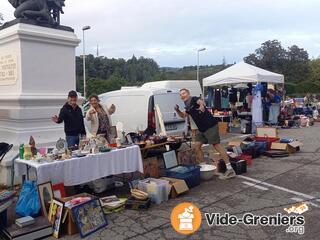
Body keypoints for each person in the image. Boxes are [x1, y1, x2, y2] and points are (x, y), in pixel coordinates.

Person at [174, 88, 236, 180]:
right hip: (202, 129)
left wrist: (202, 105)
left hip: (210, 126)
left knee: (216, 146)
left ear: (188, 93)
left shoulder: (193, 99)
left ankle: (230, 169)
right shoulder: (187, 106)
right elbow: (183, 116)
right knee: (196, 146)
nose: (182, 95)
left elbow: (200, 101)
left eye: (184, 93)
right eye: (181, 94)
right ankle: (204, 168)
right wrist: (177, 110)